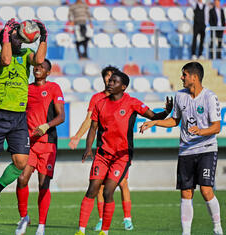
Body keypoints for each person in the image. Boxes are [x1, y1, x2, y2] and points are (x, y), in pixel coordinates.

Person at [74, 71, 173, 235]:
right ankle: (81, 230)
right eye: (109, 80)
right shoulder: (100, 103)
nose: (110, 83)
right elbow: (93, 128)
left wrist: (166, 112)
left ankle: (104, 231)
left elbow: (153, 116)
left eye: (114, 81)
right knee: (92, 188)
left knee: (108, 192)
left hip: (121, 156)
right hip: (102, 154)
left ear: (123, 86)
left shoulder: (132, 103)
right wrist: (88, 148)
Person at [0, 18, 47, 213]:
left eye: (21, 38)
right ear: (6, 39)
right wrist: (6, 34)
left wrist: (44, 37)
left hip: (19, 117)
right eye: (16, 38)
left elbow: (39, 61)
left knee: (21, 162)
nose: (20, 41)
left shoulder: (26, 54)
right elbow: (5, 61)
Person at [140, 62, 223, 235]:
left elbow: (216, 127)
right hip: (186, 151)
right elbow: (174, 121)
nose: (181, 77)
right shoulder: (180, 96)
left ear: (194, 77)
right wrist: (155, 121)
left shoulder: (210, 97)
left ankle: (217, 227)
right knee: (186, 192)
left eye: (184, 74)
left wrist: (201, 131)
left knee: (206, 190)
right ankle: (186, 232)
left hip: (206, 148)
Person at [69, 66, 134, 231]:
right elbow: (90, 122)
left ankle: (127, 218)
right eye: (107, 76)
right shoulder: (97, 99)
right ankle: (100, 219)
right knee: (98, 186)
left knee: (123, 183)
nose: (109, 79)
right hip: (103, 148)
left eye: (112, 77)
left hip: (120, 151)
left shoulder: (125, 100)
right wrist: (78, 136)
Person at [15, 59, 65, 235]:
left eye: (42, 67)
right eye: (36, 66)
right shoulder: (26, 89)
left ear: (48, 72)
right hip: (29, 143)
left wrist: (46, 126)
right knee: (22, 179)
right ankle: (24, 217)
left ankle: (41, 225)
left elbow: (61, 117)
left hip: (48, 143)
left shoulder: (54, 88)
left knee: (44, 185)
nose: (38, 68)